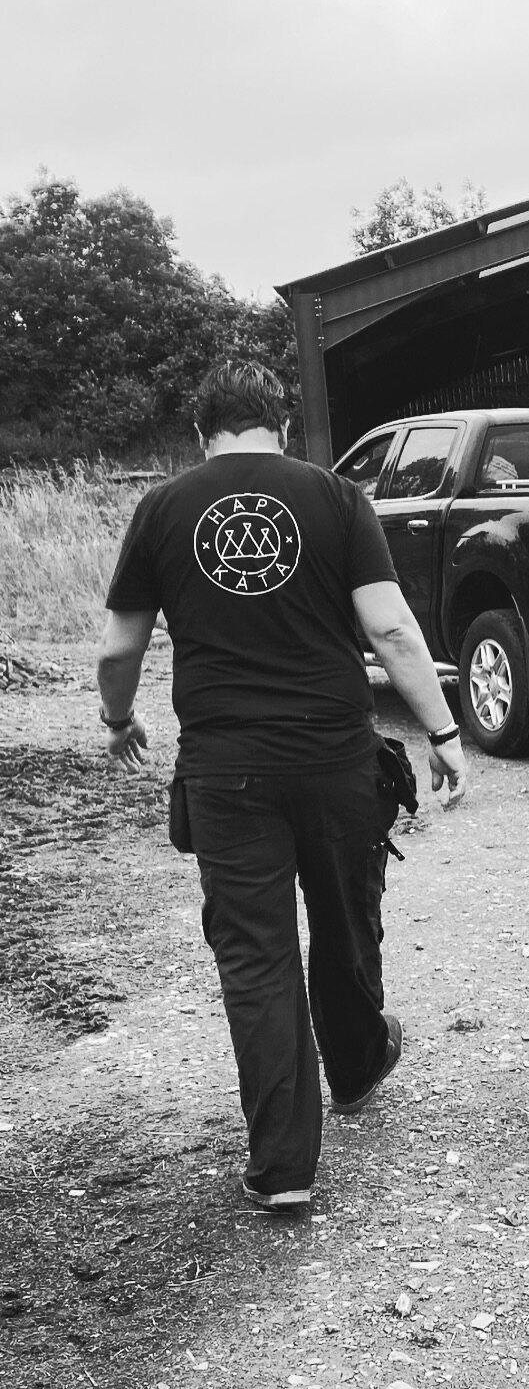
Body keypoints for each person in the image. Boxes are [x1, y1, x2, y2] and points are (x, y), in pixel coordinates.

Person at [97, 359, 468, 1213]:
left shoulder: (161, 508)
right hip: (337, 758)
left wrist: (118, 721)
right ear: (284, 426)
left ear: (203, 434)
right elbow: (390, 628)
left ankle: (285, 1166)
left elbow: (120, 649)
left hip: (226, 771)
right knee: (344, 922)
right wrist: (444, 733)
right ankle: (359, 1065)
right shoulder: (336, 498)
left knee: (256, 959)